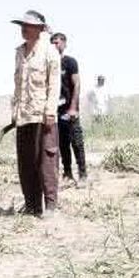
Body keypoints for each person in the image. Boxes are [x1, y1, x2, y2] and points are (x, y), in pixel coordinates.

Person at [11, 11, 60, 217]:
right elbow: (17, 85)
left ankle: (50, 206)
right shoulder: (19, 52)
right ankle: (32, 205)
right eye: (22, 25)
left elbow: (54, 84)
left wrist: (50, 111)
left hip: (42, 115)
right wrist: (14, 111)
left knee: (46, 162)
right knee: (26, 162)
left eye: (29, 25)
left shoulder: (50, 52)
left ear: (40, 29)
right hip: (24, 116)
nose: (24, 28)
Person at [50, 32, 87, 186]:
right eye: (52, 42)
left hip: (69, 110)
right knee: (62, 144)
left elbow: (77, 84)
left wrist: (73, 107)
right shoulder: (49, 64)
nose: (55, 45)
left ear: (64, 44)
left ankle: (83, 174)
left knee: (76, 142)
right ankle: (67, 173)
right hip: (55, 111)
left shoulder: (70, 62)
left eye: (57, 42)